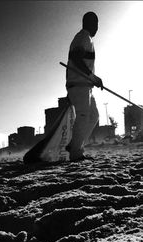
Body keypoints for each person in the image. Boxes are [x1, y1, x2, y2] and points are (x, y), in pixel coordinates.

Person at [66, 11, 103, 161]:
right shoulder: (83, 37)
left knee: (94, 116)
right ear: (91, 23)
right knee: (83, 116)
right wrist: (92, 77)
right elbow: (76, 58)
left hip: (85, 86)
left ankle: (75, 145)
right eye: (96, 24)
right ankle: (76, 153)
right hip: (79, 85)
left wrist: (94, 80)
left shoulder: (87, 39)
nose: (97, 28)